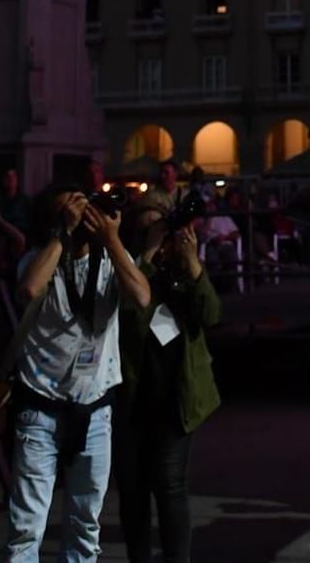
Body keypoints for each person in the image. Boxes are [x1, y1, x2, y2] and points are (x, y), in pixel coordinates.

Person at [6, 182, 152, 562]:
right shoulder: (38, 258)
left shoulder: (110, 261)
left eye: (83, 208)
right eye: (68, 209)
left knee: (86, 525)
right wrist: (62, 232)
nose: (80, 216)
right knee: (26, 528)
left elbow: (141, 297)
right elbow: (30, 288)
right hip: (39, 407)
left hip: (95, 409)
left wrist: (113, 238)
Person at [114, 191, 222, 563]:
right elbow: (128, 312)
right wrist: (145, 256)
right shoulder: (126, 266)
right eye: (145, 229)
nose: (154, 235)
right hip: (130, 399)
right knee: (132, 492)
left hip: (176, 399)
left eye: (157, 227)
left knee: (171, 487)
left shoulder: (181, 269)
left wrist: (193, 264)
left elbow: (210, 314)